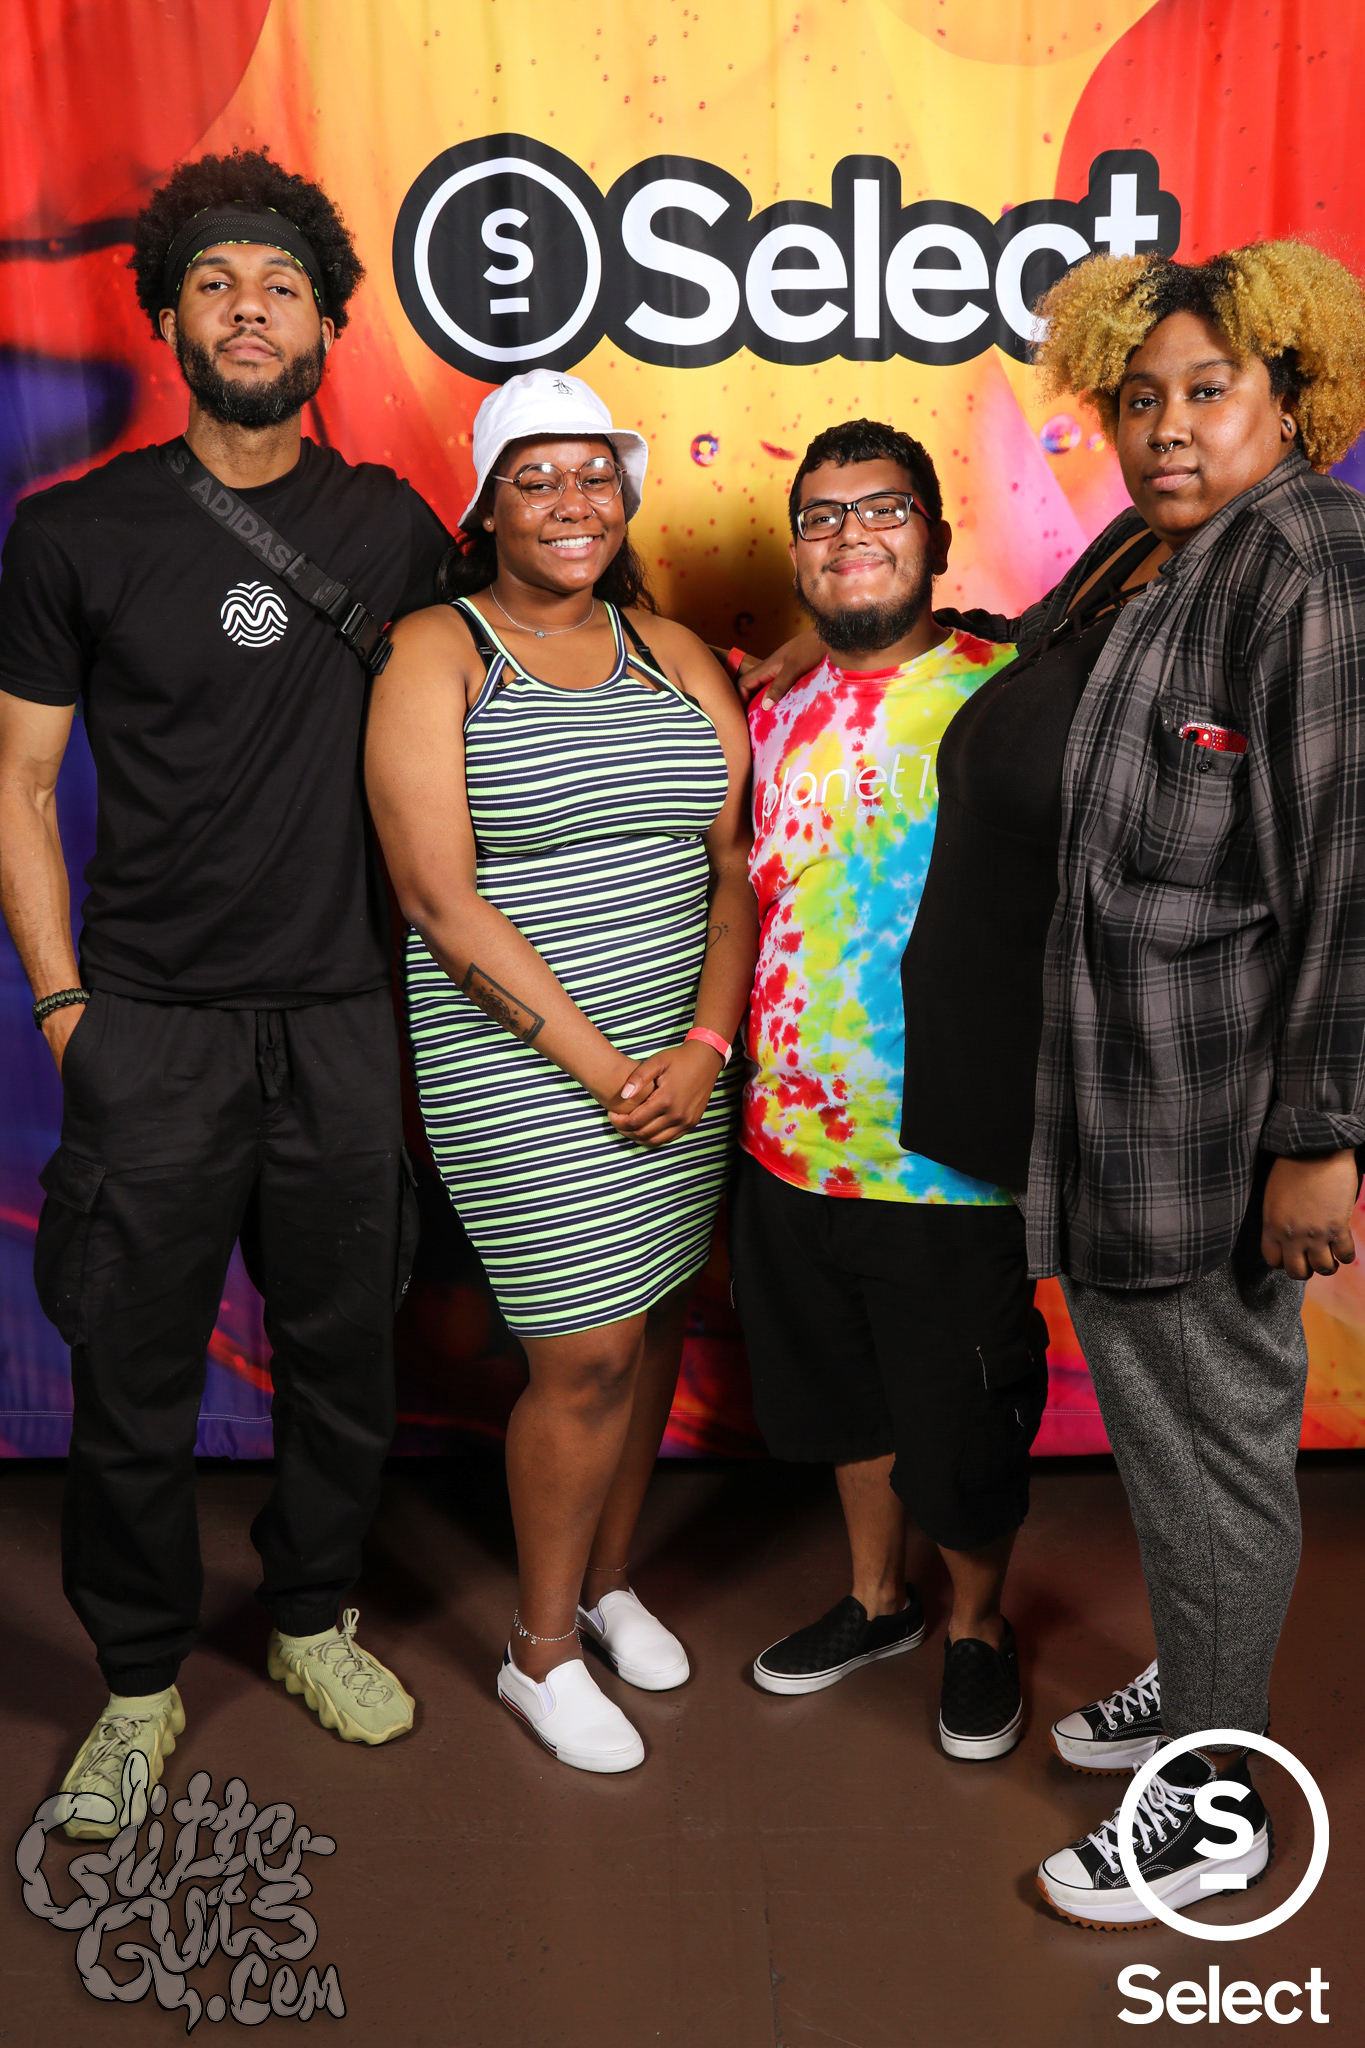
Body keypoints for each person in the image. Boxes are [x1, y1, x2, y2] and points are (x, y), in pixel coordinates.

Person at [759, 241, 1365, 1922]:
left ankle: (1216, 1808)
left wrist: (1320, 1136)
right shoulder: (1149, 549)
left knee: (1211, 1462)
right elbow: (1027, 680)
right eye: (1138, 395)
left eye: (1208, 392)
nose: (1165, 427)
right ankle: (1201, 1683)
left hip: (1197, 1114)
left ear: (1291, 400)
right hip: (1092, 1103)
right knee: (1172, 1457)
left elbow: (1347, 873)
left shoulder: (1306, 565)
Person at [0, 149, 451, 1838]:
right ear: (170, 319)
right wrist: (66, 1008)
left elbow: (545, 653)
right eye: (214, 284)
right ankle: (136, 1683)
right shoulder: (75, 532)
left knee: (342, 1359)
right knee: (132, 1376)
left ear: (326, 327)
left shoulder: (389, 529)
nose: (248, 310)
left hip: (337, 1019)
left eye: (279, 287)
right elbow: (17, 784)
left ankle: (312, 1616)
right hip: (152, 1027)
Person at [364, 369, 757, 1775]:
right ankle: (537, 1652)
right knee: (583, 1349)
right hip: (524, 1062)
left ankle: (606, 1584)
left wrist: (702, 1049)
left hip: (679, 1060)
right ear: (485, 507)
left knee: (650, 1323)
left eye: (594, 474)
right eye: (533, 478)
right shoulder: (436, 651)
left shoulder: (675, 651)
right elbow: (437, 898)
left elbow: (730, 866)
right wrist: (606, 1070)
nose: (570, 501)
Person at [728, 418, 1049, 1762]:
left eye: (883, 509)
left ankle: (977, 1626)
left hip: (945, 1150)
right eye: (822, 516)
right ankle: (877, 1601)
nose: (851, 533)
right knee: (843, 1404)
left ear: (934, 535)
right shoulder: (762, 707)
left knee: (961, 1423)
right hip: (785, 1140)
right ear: (798, 552)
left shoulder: (1012, 686)